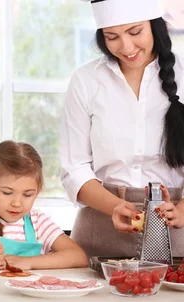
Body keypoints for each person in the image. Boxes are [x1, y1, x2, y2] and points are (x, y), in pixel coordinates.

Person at [60, 0, 184, 259]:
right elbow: (74, 167)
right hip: (99, 229)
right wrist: (115, 206)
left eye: (135, 32)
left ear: (155, 27)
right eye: (112, 37)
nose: (126, 48)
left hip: (175, 231)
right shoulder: (86, 80)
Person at [0, 140, 88, 271]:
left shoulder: (39, 222)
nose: (17, 203)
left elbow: (78, 257)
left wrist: (29, 262)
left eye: (27, 195)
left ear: (36, 192)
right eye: (7, 193)